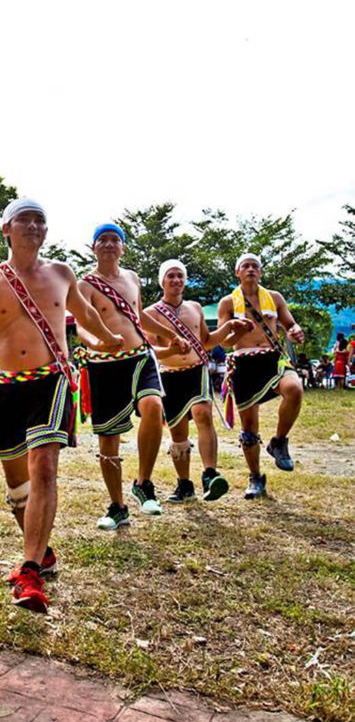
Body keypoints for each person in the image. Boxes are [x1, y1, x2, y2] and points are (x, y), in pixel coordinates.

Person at [0, 200, 122, 613]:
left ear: (46, 231)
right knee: (18, 487)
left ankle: (30, 570)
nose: (33, 225)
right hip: (3, 384)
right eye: (24, 219)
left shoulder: (61, 274)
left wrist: (109, 339)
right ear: (6, 230)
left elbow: (84, 314)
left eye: (40, 220)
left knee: (44, 465)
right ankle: (42, 550)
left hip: (52, 380)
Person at [74, 225, 189, 527]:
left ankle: (143, 483)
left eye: (116, 240)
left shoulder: (132, 278)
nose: (109, 245)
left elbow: (140, 317)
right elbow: (81, 325)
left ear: (123, 248)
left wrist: (170, 334)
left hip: (140, 357)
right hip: (103, 365)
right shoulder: (84, 285)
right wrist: (96, 341)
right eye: (103, 240)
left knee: (153, 406)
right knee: (108, 440)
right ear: (93, 247)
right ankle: (117, 506)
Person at [145, 260, 252, 503]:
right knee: (178, 431)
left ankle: (210, 474)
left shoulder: (195, 308)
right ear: (162, 281)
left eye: (180, 276)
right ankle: (184, 484)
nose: (176, 280)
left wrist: (231, 328)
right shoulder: (151, 314)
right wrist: (172, 351)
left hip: (196, 371)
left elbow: (207, 341)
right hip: (168, 375)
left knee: (204, 413)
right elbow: (151, 352)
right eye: (170, 276)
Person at [218, 253, 304, 499]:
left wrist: (295, 331)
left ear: (261, 272)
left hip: (272, 358)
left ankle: (279, 441)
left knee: (294, 389)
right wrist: (237, 329)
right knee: (249, 427)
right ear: (237, 273)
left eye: (255, 266)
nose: (250, 269)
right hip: (244, 363)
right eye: (245, 266)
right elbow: (224, 343)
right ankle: (255, 477)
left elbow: (290, 325)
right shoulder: (228, 303)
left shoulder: (275, 298)